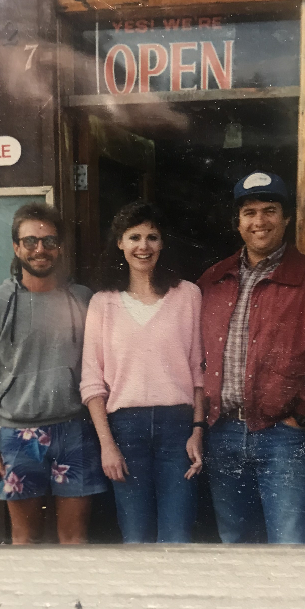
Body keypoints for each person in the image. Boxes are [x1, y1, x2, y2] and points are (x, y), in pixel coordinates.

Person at [198, 171, 305, 544]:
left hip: (283, 437)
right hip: (222, 433)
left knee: (290, 546)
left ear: (286, 218)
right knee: (235, 543)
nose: (259, 222)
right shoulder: (213, 279)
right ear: (237, 222)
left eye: (270, 210)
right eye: (249, 212)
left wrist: (303, 411)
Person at [0, 203, 107, 544]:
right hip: (18, 435)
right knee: (24, 541)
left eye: (49, 241)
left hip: (74, 431)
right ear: (16, 247)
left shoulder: (83, 299)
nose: (40, 249)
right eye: (30, 241)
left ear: (60, 247)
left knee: (75, 540)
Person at [80, 201, 205, 544]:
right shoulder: (102, 302)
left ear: (163, 244)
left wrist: (197, 429)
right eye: (134, 237)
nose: (143, 246)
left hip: (177, 428)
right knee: (135, 538)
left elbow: (199, 372)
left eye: (152, 237)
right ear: (120, 243)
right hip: (125, 430)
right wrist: (107, 445)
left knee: (177, 537)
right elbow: (92, 382)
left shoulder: (188, 295)